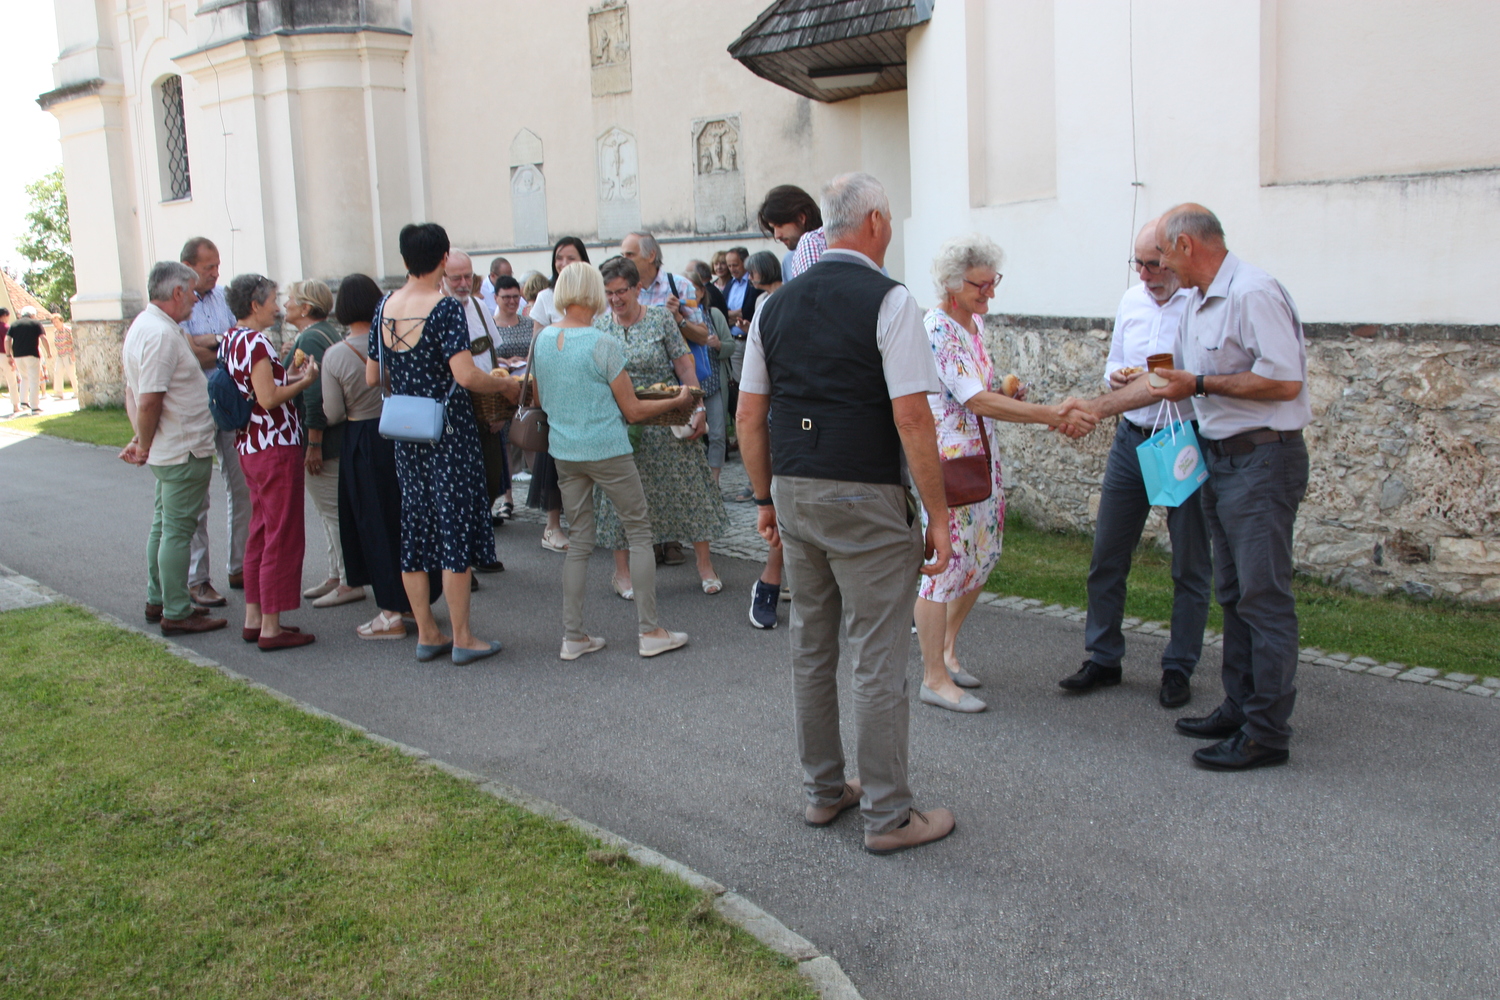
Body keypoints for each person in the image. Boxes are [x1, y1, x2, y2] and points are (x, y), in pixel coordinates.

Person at [736, 172, 956, 854]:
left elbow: (749, 415)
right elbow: (912, 417)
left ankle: (823, 790)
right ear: (876, 223)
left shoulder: (772, 306)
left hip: (796, 489)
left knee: (811, 645)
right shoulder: (890, 300)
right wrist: (939, 515)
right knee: (876, 655)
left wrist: (764, 497)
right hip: (865, 492)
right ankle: (888, 816)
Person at [1078, 204, 1311, 771]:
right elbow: (1165, 382)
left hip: (1262, 459)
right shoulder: (1199, 303)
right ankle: (1241, 707)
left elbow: (1284, 380)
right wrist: (1094, 408)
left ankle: (1266, 734)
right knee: (1233, 593)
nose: (1156, 268)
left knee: (1263, 598)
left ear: (1185, 246)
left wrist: (1201, 383)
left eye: (1161, 256)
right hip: (1222, 460)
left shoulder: (1253, 292)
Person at [915, 235, 1096, 714]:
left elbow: (981, 390)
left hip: (983, 460)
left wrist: (1008, 393)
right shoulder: (937, 329)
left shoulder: (972, 324)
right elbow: (973, 399)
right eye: (981, 285)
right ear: (953, 285)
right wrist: (1049, 414)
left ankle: (947, 650)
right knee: (943, 570)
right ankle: (933, 677)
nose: (990, 293)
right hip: (950, 464)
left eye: (993, 282)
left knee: (984, 556)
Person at [1059, 220, 1211, 709]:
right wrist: (1118, 377)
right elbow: (1114, 363)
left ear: (1175, 258)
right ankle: (1103, 657)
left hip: (1182, 439)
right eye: (1138, 264)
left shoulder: (1197, 305)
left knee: (1190, 561)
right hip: (1132, 438)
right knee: (1108, 553)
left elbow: (1182, 379)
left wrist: (1123, 393)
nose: (1144, 275)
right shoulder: (1131, 300)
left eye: (1153, 265)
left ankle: (1179, 666)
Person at [364, 222, 516, 665]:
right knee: (454, 532)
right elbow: (465, 375)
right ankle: (463, 637)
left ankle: (428, 632)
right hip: (448, 432)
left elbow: (373, 376)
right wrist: (504, 386)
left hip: (407, 433)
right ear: (444, 257)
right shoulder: (445, 307)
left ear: (404, 257)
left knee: (415, 531)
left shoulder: (384, 306)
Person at [531, 262, 695, 659]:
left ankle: (573, 637)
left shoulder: (544, 339)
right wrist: (676, 401)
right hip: (607, 449)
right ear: (594, 292)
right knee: (639, 533)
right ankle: (650, 631)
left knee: (579, 542)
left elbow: (538, 399)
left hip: (565, 451)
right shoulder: (601, 343)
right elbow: (634, 410)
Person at [594, 255, 728, 594]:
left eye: (621, 291)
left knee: (690, 489)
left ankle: (705, 565)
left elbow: (684, 367)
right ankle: (622, 574)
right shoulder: (600, 327)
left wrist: (697, 406)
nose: (615, 299)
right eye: (609, 293)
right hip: (622, 425)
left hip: (668, 419)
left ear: (637, 288)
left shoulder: (660, 319)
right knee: (619, 499)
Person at [118, 261, 226, 636]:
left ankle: (160, 598)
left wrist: (141, 439)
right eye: (192, 292)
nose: (197, 299)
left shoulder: (147, 326)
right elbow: (148, 399)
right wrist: (143, 443)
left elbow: (135, 392)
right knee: (177, 532)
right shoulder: (160, 333)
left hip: (173, 446)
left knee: (164, 527)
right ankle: (176, 611)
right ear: (177, 292)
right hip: (182, 447)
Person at [322, 273, 426, 640]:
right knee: (405, 520)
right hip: (400, 431)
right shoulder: (395, 340)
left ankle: (390, 612)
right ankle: (415, 601)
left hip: (362, 439)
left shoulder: (336, 354)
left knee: (373, 525)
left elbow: (333, 412)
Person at [220, 273, 320, 651]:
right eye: (273, 300)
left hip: (250, 444)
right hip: (274, 445)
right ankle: (272, 627)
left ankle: (255, 618)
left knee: (261, 532)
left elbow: (256, 387)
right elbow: (268, 398)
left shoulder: (232, 339)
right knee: (282, 534)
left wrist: (288, 376)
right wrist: (304, 382)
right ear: (255, 304)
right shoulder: (257, 342)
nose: (277, 307)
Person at [618, 230, 714, 567]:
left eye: (629, 254)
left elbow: (703, 335)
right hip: (634, 399)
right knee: (643, 473)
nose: (623, 259)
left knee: (676, 475)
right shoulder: (620, 291)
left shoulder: (680, 286)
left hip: (674, 395)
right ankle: (654, 540)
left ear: (650, 256)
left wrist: (678, 319)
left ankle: (672, 540)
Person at [282, 279, 364, 608]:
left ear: (305, 307)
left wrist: (313, 443)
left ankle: (348, 580)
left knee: (333, 512)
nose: (285, 304)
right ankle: (336, 574)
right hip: (333, 439)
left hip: (325, 442)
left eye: (290, 299)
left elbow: (313, 392)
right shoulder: (324, 332)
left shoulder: (311, 337)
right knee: (329, 511)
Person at [181, 236, 249, 610]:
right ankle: (198, 579)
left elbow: (236, 346)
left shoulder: (224, 298)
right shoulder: (179, 300)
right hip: (195, 406)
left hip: (229, 403)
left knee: (242, 486)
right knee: (197, 496)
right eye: (209, 267)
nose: (216, 272)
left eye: (218, 265)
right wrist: (218, 345)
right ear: (189, 267)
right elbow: (190, 353)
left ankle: (240, 566)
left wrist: (213, 343)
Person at [444, 249, 512, 563]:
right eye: (456, 278)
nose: (463, 283)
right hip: (454, 411)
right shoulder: (438, 310)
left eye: (468, 276)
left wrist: (498, 406)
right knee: (460, 488)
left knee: (490, 478)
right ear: (442, 277)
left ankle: (481, 548)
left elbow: (493, 358)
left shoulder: (480, 306)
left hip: (486, 407)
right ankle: (465, 560)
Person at [525, 236, 591, 553]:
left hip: (588, 385)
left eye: (570, 258)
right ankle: (552, 526)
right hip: (557, 387)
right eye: (558, 258)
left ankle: (585, 522)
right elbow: (536, 346)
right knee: (553, 455)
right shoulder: (546, 296)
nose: (563, 264)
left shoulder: (593, 293)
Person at [740, 249, 793, 630]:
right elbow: (748, 413)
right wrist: (762, 498)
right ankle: (769, 582)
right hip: (788, 419)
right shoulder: (770, 307)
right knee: (787, 509)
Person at [490, 273, 536, 523]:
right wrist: (502, 361)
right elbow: (484, 356)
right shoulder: (489, 325)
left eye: (516, 297)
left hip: (526, 389)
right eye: (506, 297)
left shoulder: (529, 323)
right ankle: (507, 499)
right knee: (504, 444)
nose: (511, 301)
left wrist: (524, 360)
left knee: (531, 440)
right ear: (496, 297)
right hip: (500, 390)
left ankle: (541, 493)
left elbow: (537, 349)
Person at [685, 260, 735, 482]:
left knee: (717, 434)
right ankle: (696, 481)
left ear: (702, 291)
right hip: (688, 388)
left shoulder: (713, 314)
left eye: (694, 289)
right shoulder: (676, 318)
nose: (691, 294)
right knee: (689, 435)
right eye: (686, 290)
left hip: (714, 384)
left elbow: (730, 346)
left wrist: (718, 345)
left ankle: (714, 481)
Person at [757, 183, 823, 278]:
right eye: (773, 228)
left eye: (780, 225)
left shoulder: (835, 246)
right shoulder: (788, 261)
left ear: (801, 218)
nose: (777, 235)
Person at [4, 307, 50, 413]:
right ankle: (35, 406)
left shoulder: (14, 324)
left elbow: (7, 340)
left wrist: (8, 354)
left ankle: (23, 402)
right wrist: (48, 352)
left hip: (18, 356)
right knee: (34, 380)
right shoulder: (36, 323)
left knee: (24, 378)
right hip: (32, 354)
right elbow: (43, 338)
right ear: (32, 315)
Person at [722, 246, 761, 328]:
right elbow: (722, 313)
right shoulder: (729, 284)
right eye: (729, 266)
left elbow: (750, 312)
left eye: (735, 265)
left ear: (745, 262)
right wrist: (733, 314)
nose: (732, 269)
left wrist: (733, 315)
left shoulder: (755, 283)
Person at [48, 316, 75, 399]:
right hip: (60, 354)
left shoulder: (68, 330)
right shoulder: (56, 332)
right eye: (54, 322)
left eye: (57, 322)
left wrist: (73, 353)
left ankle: (77, 391)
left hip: (68, 353)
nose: (55, 324)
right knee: (57, 372)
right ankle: (59, 392)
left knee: (71, 373)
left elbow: (74, 341)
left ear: (61, 321)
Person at [0, 308, 18, 415]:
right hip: (4, 354)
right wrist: (11, 357)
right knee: (12, 380)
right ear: (5, 315)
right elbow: (9, 344)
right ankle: (15, 405)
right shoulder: (6, 328)